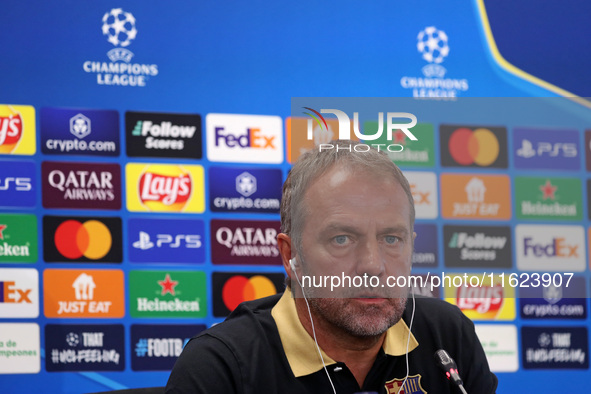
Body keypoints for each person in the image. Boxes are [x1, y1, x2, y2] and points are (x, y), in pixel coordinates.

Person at [165, 140, 497, 394]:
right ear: (290, 256)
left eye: (392, 239)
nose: (373, 266)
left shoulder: (448, 335)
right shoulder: (220, 368)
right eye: (342, 239)